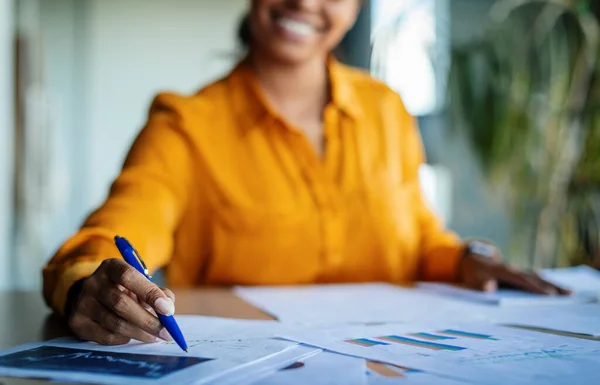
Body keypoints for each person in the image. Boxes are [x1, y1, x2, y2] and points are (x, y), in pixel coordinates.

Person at [43, 0, 568, 346]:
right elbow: (119, 231)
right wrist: (88, 282)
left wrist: (466, 259)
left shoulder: (386, 109)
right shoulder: (185, 126)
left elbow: (418, 238)